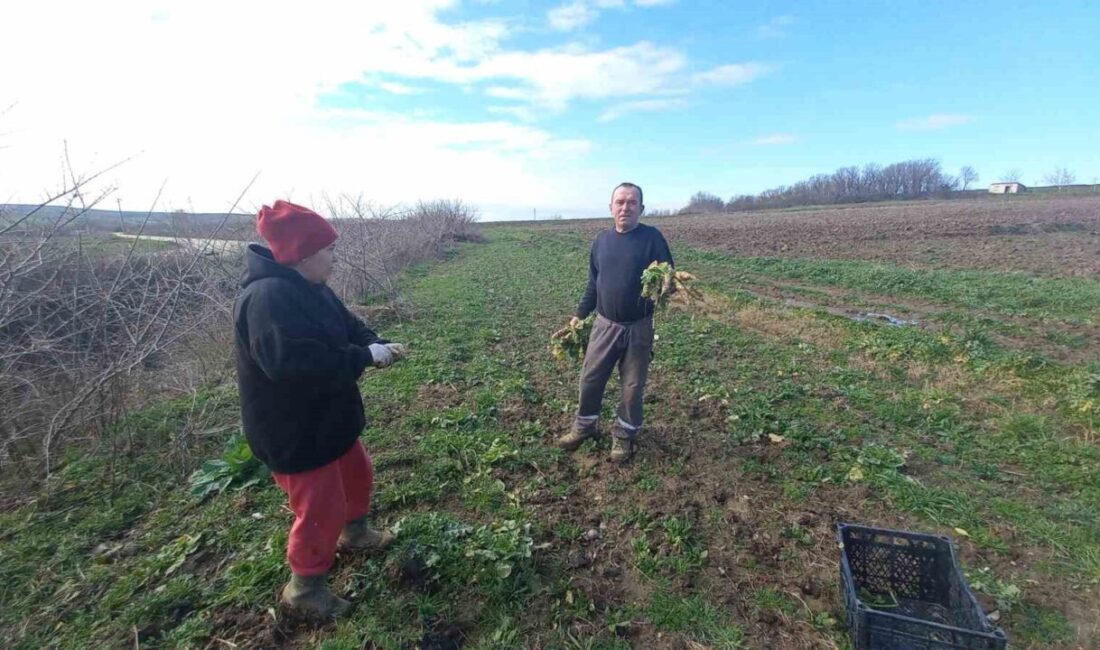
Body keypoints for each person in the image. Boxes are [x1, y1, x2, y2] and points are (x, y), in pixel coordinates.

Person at [234, 200, 404, 619]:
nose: (334, 257)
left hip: (328, 419)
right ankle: (305, 590)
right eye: (328, 250)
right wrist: (363, 357)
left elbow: (350, 325)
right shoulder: (267, 299)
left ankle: (355, 533)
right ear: (304, 254)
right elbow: (293, 366)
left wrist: (374, 342)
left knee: (358, 473)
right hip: (294, 431)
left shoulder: (313, 287)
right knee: (319, 509)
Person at [556, 182, 673, 463]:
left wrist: (667, 286)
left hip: (639, 326)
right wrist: (578, 316)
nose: (625, 207)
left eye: (632, 202)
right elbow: (593, 284)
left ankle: (624, 434)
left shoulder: (652, 238)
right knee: (590, 378)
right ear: (611, 207)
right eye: (620, 202)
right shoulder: (601, 241)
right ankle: (584, 426)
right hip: (604, 324)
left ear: (641, 208)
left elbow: (668, 276)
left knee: (632, 386)